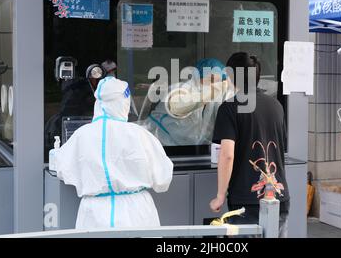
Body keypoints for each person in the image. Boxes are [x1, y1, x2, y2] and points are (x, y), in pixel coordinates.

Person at [55, 76, 173, 229]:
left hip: (94, 213)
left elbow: (63, 169)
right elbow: (163, 179)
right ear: (123, 102)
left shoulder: (81, 135)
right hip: (136, 213)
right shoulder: (139, 134)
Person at [209, 52, 290, 238]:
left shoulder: (229, 107)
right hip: (279, 196)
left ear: (231, 75)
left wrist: (220, 195)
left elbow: (227, 155)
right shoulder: (276, 105)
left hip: (247, 200)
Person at [142, 58, 235, 146]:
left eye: (219, 81)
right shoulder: (179, 89)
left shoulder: (213, 98)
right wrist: (216, 89)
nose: (215, 84)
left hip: (189, 151)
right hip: (157, 146)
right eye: (211, 79)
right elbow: (177, 106)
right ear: (198, 76)